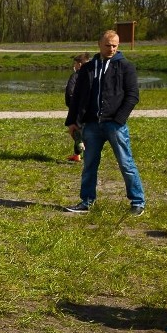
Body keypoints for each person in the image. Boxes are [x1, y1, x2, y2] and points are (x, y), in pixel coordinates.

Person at [64, 30, 146, 216]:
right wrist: (73, 122)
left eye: (115, 45)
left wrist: (119, 119)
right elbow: (77, 97)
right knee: (89, 164)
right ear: (99, 44)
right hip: (92, 125)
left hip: (115, 125)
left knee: (126, 163)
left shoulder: (126, 67)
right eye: (108, 45)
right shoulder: (88, 68)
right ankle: (86, 201)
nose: (112, 49)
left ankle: (138, 202)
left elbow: (132, 96)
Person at [65, 53, 91, 162]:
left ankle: (81, 148)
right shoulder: (92, 75)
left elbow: (70, 91)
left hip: (77, 109)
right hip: (89, 109)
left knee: (75, 131)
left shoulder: (75, 76)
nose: (74, 66)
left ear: (79, 64)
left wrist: (72, 104)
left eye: (75, 63)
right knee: (85, 130)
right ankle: (77, 155)